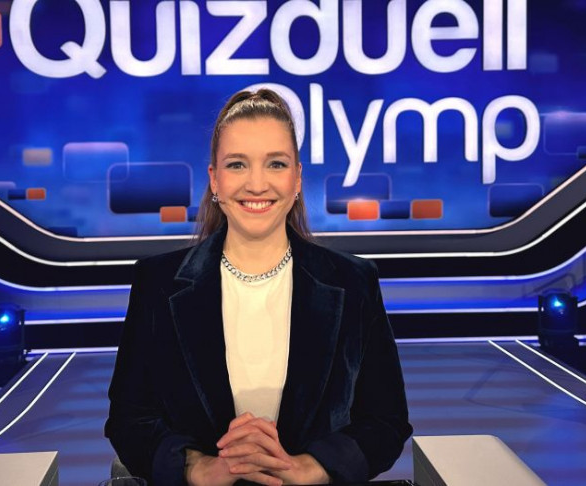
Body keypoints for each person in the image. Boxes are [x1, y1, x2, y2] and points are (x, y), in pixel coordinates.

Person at [105, 89, 412, 485]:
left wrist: (308, 468)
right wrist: (199, 468)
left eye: (275, 164)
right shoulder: (157, 284)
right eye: (237, 164)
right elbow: (129, 419)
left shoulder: (354, 282)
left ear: (296, 178)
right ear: (214, 180)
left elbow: (386, 420)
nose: (256, 184)